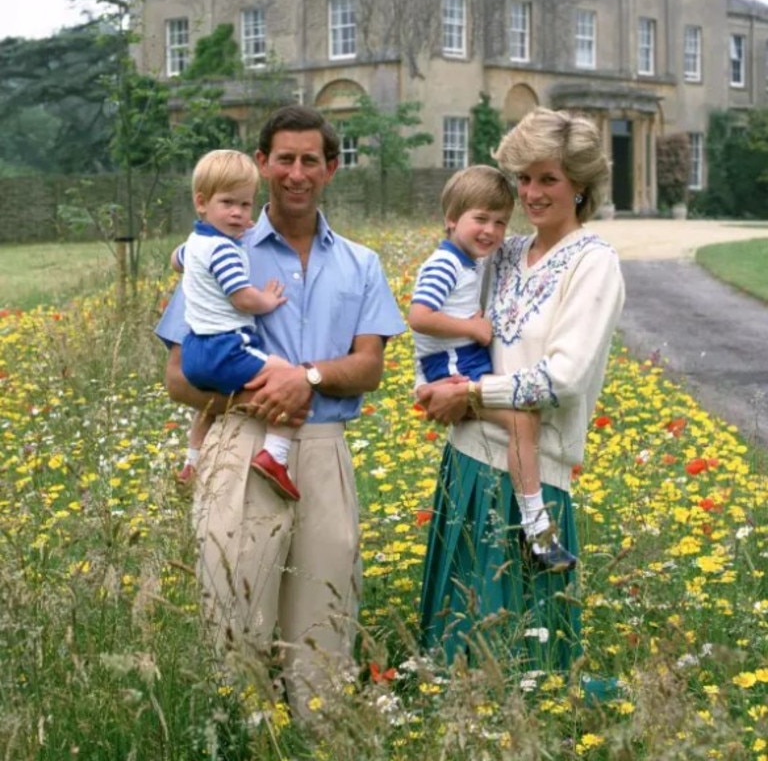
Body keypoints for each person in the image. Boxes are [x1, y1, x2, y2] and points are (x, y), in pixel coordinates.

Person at [155, 105, 406, 723]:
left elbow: (369, 366)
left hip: (322, 450)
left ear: (332, 169)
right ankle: (244, 734)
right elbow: (178, 375)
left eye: (310, 161)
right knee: (234, 614)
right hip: (241, 440)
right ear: (262, 164)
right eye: (284, 159)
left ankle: (322, 734)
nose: (297, 173)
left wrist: (307, 378)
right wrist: (258, 396)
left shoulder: (360, 263)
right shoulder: (215, 249)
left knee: (326, 614)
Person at [416, 107, 625, 675]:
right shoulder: (503, 252)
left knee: (523, 657)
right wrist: (432, 383)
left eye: (548, 179)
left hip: (534, 476)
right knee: (458, 645)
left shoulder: (593, 263)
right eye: (524, 179)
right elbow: (447, 317)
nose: (531, 193)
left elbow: (562, 378)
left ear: (580, 185)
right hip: (466, 461)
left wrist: (471, 394)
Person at [408, 165, 576, 572]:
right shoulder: (445, 264)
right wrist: (473, 327)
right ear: (451, 219)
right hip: (454, 367)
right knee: (522, 423)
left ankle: (534, 525)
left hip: (463, 362)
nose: (491, 231)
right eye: (480, 219)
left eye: (500, 222)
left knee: (523, 423)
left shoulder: (469, 262)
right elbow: (418, 316)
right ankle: (537, 530)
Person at [171, 148, 302, 501]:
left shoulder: (195, 242)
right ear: (201, 203)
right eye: (228, 203)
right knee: (290, 379)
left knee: (208, 408)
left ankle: (192, 462)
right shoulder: (225, 250)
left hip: (195, 352)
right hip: (227, 346)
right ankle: (275, 456)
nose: (238, 214)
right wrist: (268, 300)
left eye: (245, 206)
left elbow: (176, 260)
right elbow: (242, 298)